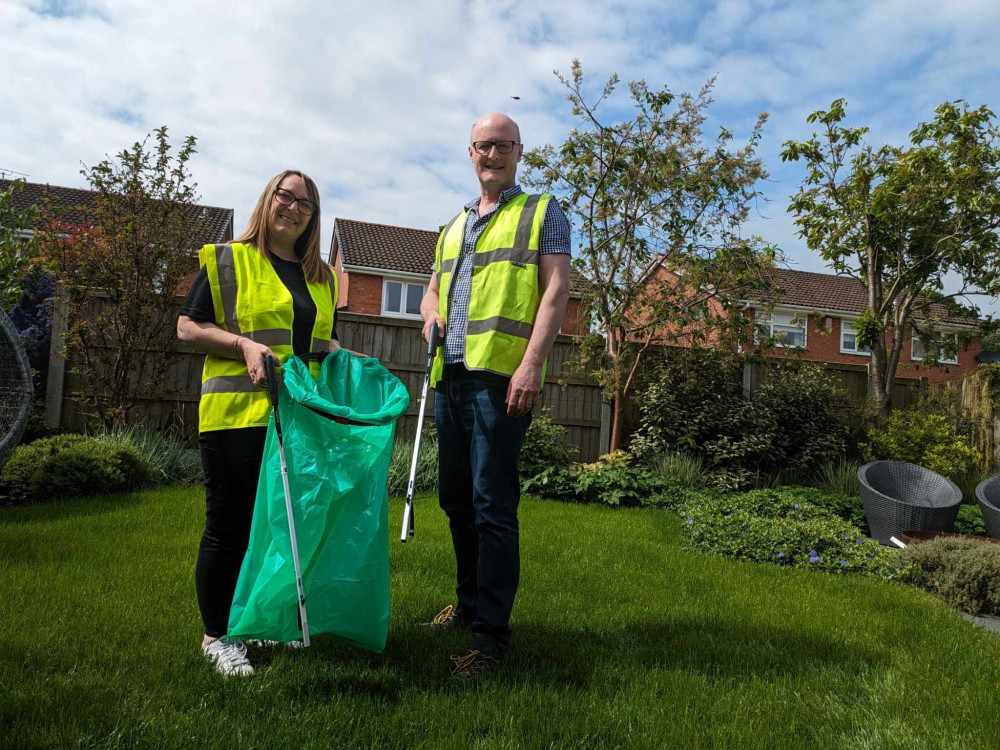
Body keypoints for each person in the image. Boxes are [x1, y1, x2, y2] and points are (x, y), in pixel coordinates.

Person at [419, 113, 572, 680]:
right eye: (484, 146)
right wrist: (429, 316)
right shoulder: (453, 226)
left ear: (518, 152)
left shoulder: (541, 212)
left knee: (492, 507)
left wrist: (531, 365)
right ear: (470, 152)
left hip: (500, 381)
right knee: (455, 500)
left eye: (503, 145)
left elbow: (556, 290)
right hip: (451, 378)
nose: (492, 154)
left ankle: (490, 642)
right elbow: (432, 293)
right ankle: (467, 607)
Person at [177, 170, 341, 676]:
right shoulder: (230, 259)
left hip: (297, 419)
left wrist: (340, 356)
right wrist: (243, 344)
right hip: (236, 416)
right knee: (229, 526)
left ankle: (269, 622)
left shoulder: (322, 277)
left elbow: (315, 342)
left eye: (305, 204)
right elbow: (187, 326)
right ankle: (217, 636)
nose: (292, 207)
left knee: (284, 528)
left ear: (313, 218)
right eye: (284, 195)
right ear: (267, 199)